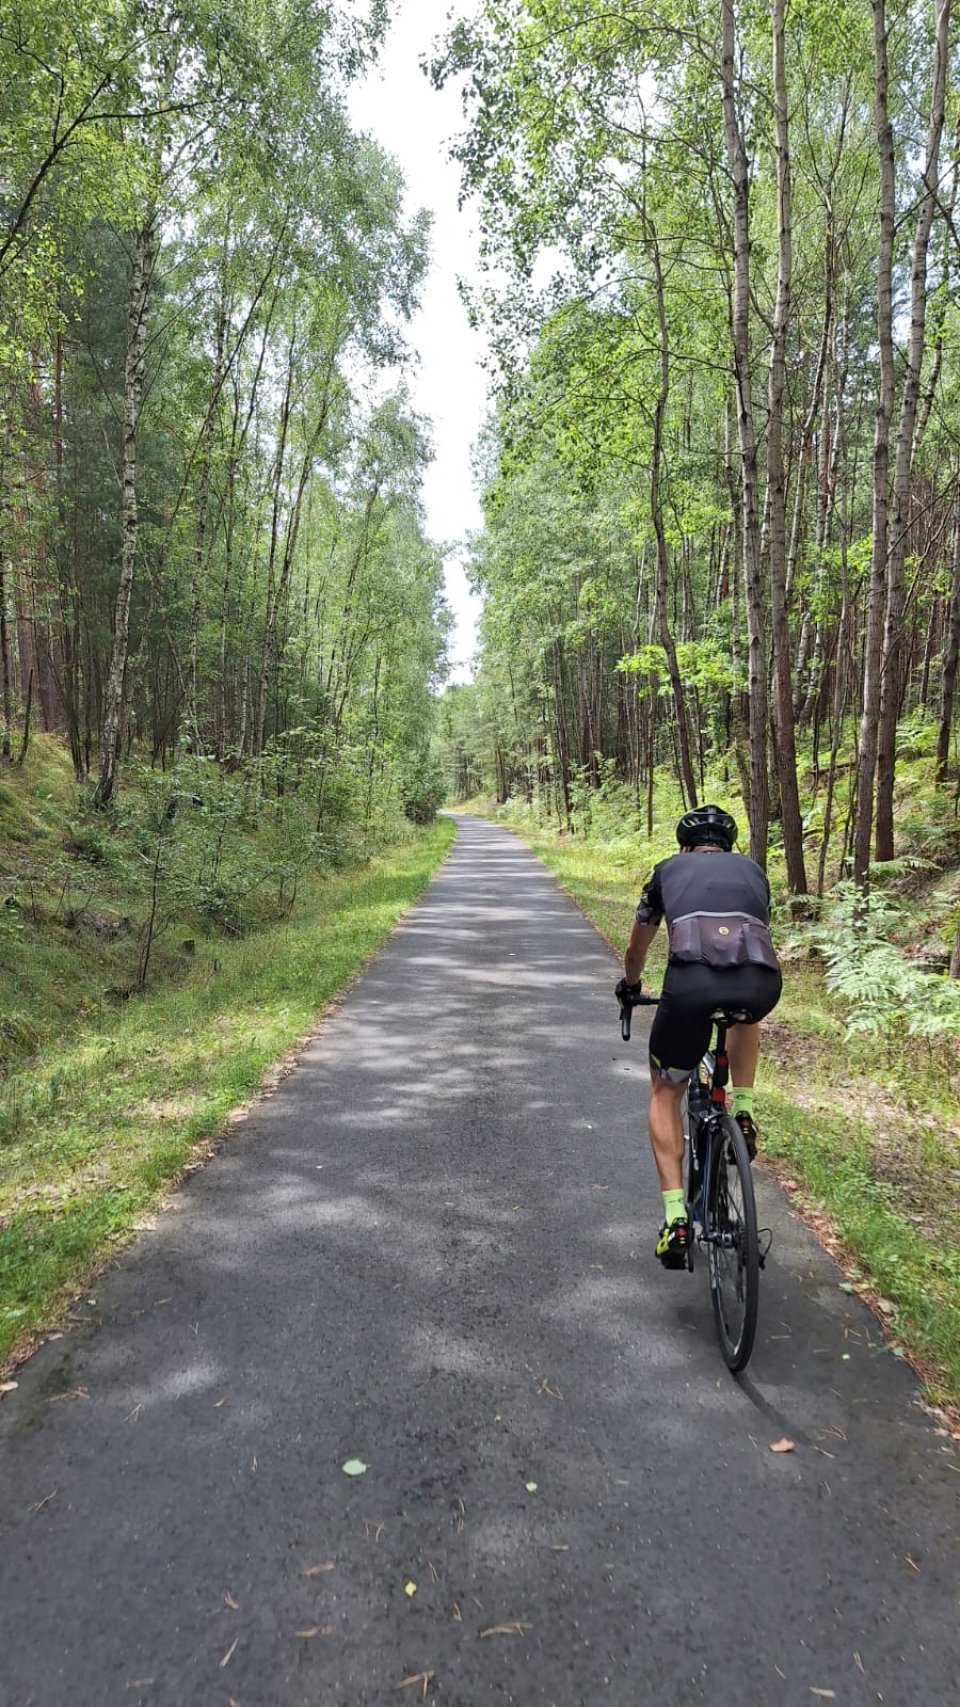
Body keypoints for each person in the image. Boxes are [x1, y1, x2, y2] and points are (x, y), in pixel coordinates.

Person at [615, 804, 782, 1270]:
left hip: (691, 985)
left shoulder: (667, 871)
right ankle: (743, 1109)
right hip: (760, 981)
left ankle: (675, 1220)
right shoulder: (752, 870)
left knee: (666, 1089)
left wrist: (631, 988)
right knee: (746, 1013)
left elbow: (636, 949)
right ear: (726, 845)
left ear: (684, 845)